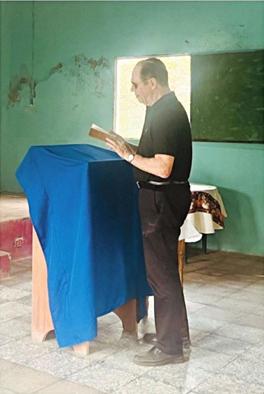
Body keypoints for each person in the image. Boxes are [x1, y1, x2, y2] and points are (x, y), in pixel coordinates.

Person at [106, 57, 192, 366]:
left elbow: (163, 166)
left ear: (152, 82)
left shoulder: (167, 112)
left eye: (136, 85)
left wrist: (129, 157)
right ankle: (177, 333)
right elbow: (155, 155)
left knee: (161, 274)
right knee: (166, 268)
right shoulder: (160, 109)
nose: (134, 91)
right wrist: (126, 147)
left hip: (161, 198)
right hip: (164, 197)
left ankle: (170, 348)